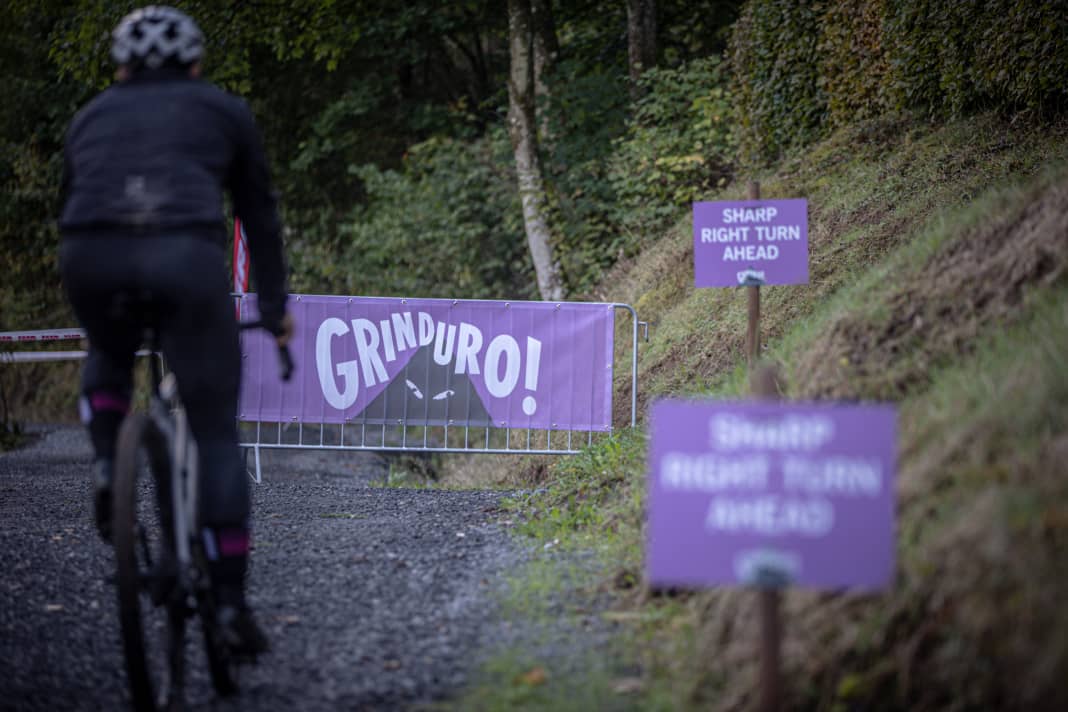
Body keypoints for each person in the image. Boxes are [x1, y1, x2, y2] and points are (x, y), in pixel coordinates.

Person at [58, 5, 291, 656]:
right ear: (195, 62)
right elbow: (259, 217)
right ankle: (227, 605)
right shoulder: (223, 110)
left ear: (121, 65)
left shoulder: (90, 116)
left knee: (107, 348)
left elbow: (67, 205)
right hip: (185, 260)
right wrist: (273, 310)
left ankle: (108, 462)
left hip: (92, 255)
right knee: (216, 431)